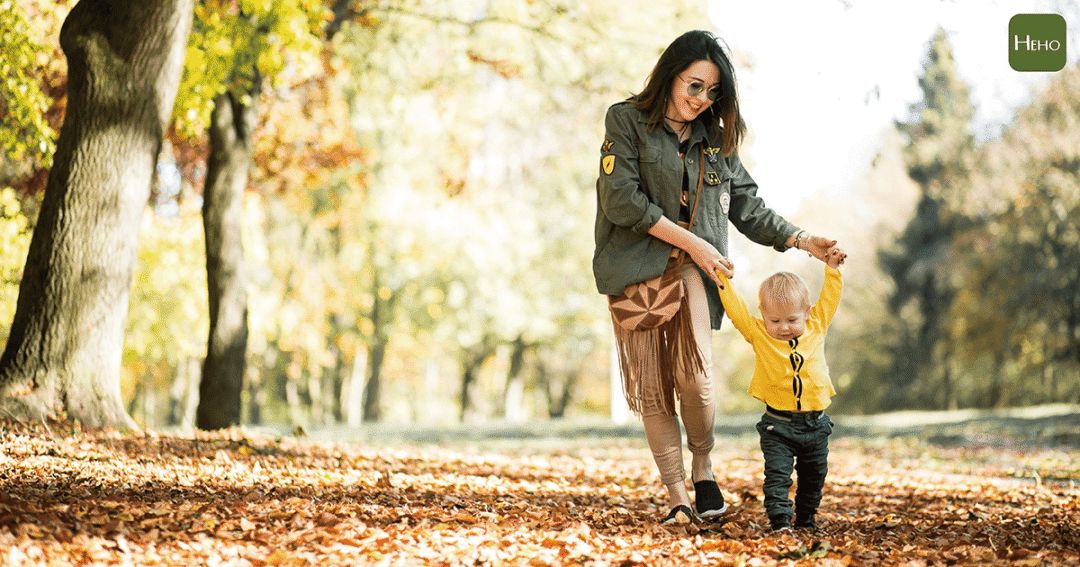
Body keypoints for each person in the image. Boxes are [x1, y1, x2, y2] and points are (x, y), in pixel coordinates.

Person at [592, 29, 844, 525]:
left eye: (712, 92)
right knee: (652, 386)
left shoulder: (716, 138)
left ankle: (702, 464)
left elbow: (748, 206)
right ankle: (677, 495)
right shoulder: (625, 120)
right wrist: (693, 242)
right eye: (694, 86)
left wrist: (802, 239)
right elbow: (620, 200)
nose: (701, 100)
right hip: (636, 266)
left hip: (694, 267)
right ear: (670, 76)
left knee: (697, 379)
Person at [713, 249, 845, 532]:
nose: (784, 328)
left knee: (814, 477)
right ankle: (780, 522)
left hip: (816, 425)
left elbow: (830, 298)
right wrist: (723, 280)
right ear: (764, 315)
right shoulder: (759, 334)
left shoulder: (817, 325)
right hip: (778, 427)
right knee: (777, 476)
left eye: (792, 320)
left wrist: (832, 269)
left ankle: (806, 521)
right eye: (775, 321)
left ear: (806, 313)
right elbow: (737, 311)